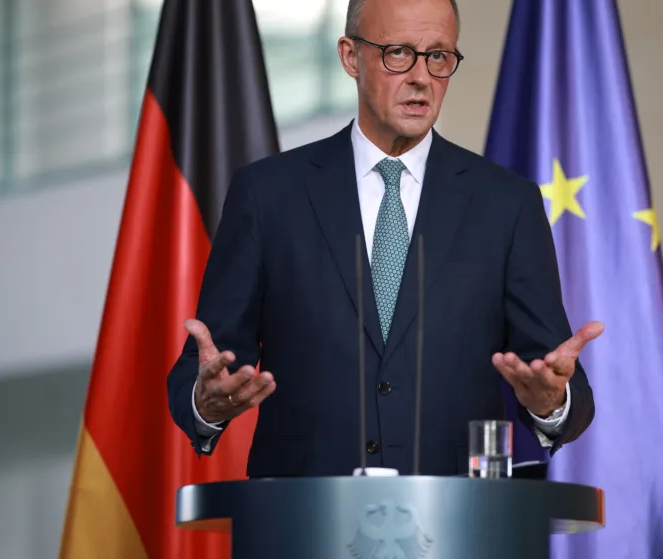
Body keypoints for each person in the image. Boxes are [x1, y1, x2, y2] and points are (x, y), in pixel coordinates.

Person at [166, 0, 604, 478]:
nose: (421, 77)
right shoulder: (267, 194)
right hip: (304, 519)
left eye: (438, 56)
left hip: (456, 525)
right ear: (351, 57)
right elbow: (204, 365)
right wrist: (206, 403)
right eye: (398, 52)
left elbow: (563, 388)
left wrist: (551, 402)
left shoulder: (507, 203)